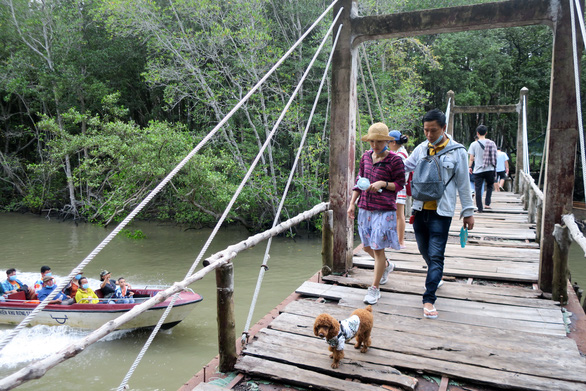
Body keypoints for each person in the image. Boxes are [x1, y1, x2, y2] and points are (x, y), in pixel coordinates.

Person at [404, 109, 474, 319]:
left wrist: (468, 212)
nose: (428, 135)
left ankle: (429, 299)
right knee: (425, 252)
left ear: (444, 128)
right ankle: (436, 273)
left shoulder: (458, 152)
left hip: (441, 213)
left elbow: (463, 184)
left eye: (433, 130)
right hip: (419, 209)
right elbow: (404, 167)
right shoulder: (421, 148)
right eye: (425, 130)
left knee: (436, 255)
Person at [347, 122, 405, 305]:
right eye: (372, 141)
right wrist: (351, 203)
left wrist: (382, 184)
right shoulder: (365, 157)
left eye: (378, 142)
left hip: (384, 210)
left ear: (387, 142)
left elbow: (399, 184)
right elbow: (360, 180)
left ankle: (374, 289)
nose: (374, 145)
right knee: (366, 246)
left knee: (378, 247)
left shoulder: (395, 160)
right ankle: (387, 266)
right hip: (365, 208)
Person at [388, 130, 410, 249]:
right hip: (398, 186)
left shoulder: (400, 155)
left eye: (389, 142)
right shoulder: (398, 152)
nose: (388, 144)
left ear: (394, 142)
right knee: (396, 214)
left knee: (399, 214)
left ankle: (401, 241)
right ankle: (396, 240)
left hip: (398, 186)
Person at [468, 125, 497, 212]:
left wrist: (470, 167)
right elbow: (495, 156)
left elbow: (471, 158)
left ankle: (479, 208)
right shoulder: (492, 143)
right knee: (489, 186)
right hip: (490, 169)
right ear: (486, 133)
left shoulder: (473, 144)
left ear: (477, 133)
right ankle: (487, 204)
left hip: (478, 169)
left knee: (478, 188)